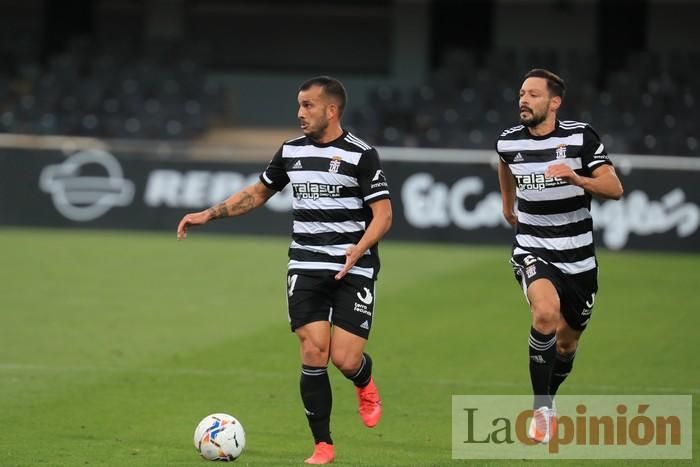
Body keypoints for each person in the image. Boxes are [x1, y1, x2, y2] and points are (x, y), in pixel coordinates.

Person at [177, 76, 392, 464]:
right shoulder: (290, 152)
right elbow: (258, 193)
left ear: (331, 110)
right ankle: (323, 445)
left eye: (308, 105)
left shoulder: (362, 155)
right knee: (313, 350)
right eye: (299, 105)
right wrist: (208, 214)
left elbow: (384, 215)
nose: (299, 113)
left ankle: (363, 379)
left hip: (353, 267)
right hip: (306, 265)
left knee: (344, 359)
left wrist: (359, 249)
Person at [495, 69, 623, 444]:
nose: (523, 100)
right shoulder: (508, 141)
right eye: (521, 93)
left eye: (533, 94)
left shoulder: (580, 136)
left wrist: (578, 179)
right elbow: (505, 165)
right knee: (545, 313)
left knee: (566, 344)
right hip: (533, 248)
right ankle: (541, 409)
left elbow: (614, 187)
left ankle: (550, 397)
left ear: (554, 102)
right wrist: (508, 205)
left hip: (579, 258)